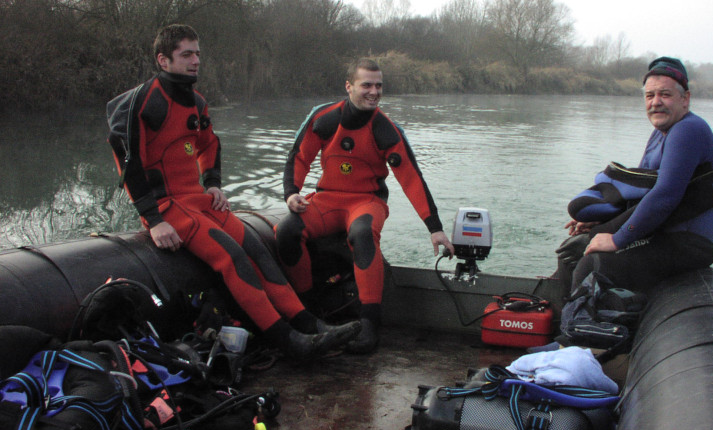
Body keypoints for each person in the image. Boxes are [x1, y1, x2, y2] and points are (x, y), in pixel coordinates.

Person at [106, 24, 360, 360]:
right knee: (232, 257)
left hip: (197, 200)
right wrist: (153, 219)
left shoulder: (195, 101)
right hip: (167, 205)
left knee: (256, 249)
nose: (196, 60)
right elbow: (128, 164)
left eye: (197, 53)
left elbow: (209, 144)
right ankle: (289, 341)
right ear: (163, 60)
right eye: (186, 55)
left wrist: (213, 184)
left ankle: (310, 325)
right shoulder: (144, 101)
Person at [275, 58, 455, 354]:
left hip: (367, 202)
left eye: (379, 85)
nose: (374, 92)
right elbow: (299, 157)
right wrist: (291, 193)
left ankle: (370, 324)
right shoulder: (323, 118)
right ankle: (308, 311)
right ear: (349, 86)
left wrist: (434, 229)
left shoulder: (387, 130)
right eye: (367, 85)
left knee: (362, 233)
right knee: (286, 230)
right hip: (327, 199)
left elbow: (411, 179)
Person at [558, 56, 713, 294]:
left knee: (592, 265)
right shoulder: (662, 132)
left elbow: (664, 196)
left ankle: (576, 328)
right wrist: (601, 222)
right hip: (663, 234)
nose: (656, 102)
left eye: (665, 95)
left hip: (689, 244)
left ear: (685, 99)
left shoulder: (688, 129)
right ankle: (563, 319)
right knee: (573, 249)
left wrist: (617, 240)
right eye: (650, 96)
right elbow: (642, 194)